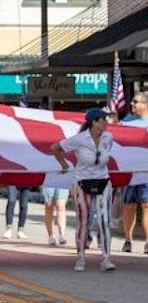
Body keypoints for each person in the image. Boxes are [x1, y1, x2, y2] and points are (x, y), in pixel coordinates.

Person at [51, 107, 115, 272]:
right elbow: (55, 148)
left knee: (105, 221)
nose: (106, 122)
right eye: (103, 120)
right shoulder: (79, 139)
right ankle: (80, 258)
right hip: (82, 183)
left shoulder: (108, 137)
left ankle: (106, 259)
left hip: (103, 181)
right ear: (94, 122)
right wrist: (64, 165)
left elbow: (105, 156)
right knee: (83, 222)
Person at [119, 91, 148, 253]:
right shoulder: (127, 122)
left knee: (146, 205)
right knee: (129, 206)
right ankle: (128, 240)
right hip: (129, 170)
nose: (132, 104)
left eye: (136, 102)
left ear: (145, 105)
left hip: (146, 170)